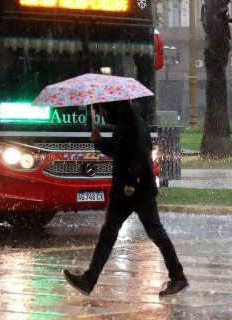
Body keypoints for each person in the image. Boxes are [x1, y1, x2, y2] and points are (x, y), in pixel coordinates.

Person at [62, 100, 189, 297]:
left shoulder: (134, 125)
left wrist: (132, 181)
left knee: (156, 232)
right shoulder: (124, 125)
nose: (102, 114)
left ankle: (178, 277)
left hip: (138, 190)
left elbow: (140, 156)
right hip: (123, 191)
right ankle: (89, 279)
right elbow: (118, 152)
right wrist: (99, 142)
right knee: (108, 234)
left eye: (103, 109)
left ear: (113, 107)